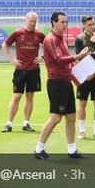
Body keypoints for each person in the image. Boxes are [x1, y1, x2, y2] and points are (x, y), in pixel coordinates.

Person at [33, 11, 89, 160]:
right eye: (62, 22)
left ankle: (72, 150)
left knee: (71, 116)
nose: (65, 25)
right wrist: (77, 56)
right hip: (57, 83)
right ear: (53, 22)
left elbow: (66, 61)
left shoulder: (61, 39)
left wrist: (81, 69)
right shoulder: (51, 39)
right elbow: (59, 59)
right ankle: (39, 149)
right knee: (56, 117)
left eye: (66, 22)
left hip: (66, 81)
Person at [1, 12, 45, 133]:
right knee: (16, 96)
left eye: (34, 21)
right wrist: (11, 60)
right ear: (26, 20)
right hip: (20, 70)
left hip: (34, 70)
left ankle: (26, 123)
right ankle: (8, 123)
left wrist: (43, 57)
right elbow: (4, 45)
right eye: (30, 21)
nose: (32, 24)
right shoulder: (18, 33)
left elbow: (50, 45)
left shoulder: (39, 34)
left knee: (30, 97)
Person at [74, 15, 95, 139]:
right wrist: (86, 73)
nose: (92, 27)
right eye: (89, 25)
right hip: (85, 76)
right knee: (82, 103)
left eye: (93, 24)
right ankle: (82, 131)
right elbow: (78, 57)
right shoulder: (79, 39)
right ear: (83, 25)